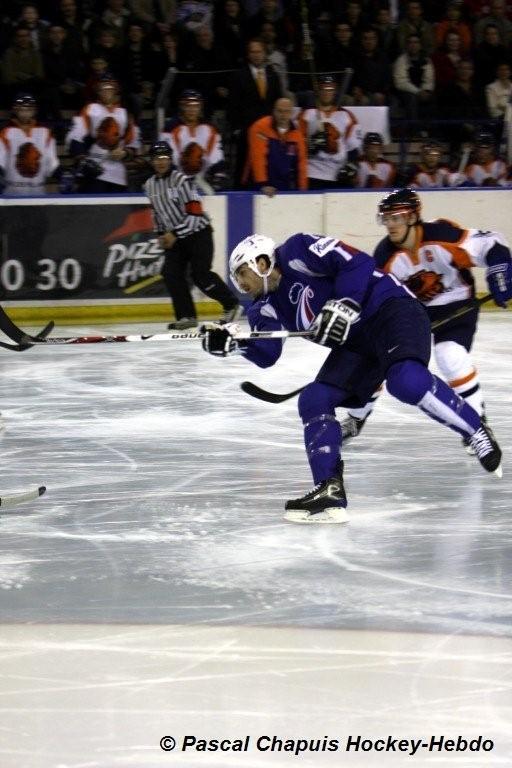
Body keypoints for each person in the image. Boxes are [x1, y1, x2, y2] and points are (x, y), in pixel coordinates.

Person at [200, 230, 504, 523]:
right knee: (314, 399)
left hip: (391, 310)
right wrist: (233, 346)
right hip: (357, 345)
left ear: (261, 263)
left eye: (242, 273)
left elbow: (356, 262)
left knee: (405, 380)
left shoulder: (296, 250)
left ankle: (476, 430)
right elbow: (267, 353)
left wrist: (345, 302)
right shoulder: (262, 307)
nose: (240, 283)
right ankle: (329, 489)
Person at [341, 188, 512, 454]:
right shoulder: (386, 255)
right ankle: (356, 416)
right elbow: (373, 294)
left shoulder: (442, 236)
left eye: (396, 218)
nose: (390, 225)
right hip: (413, 311)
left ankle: (477, 424)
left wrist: (500, 266)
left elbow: (491, 243)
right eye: (386, 219)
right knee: (380, 357)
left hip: (456, 303)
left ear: (413, 217)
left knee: (450, 354)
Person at [143, 141, 241, 330]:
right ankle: (186, 316)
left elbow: (195, 213)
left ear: (170, 160)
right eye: (157, 158)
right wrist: (161, 234)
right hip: (175, 237)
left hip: (198, 234)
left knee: (200, 274)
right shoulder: (149, 185)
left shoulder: (181, 180)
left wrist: (175, 233)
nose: (161, 162)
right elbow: (156, 212)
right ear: (152, 161)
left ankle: (231, 305)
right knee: (171, 273)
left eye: (164, 158)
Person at [65, 73, 140, 193]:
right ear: (98, 91)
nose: (106, 92)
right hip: (94, 172)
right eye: (103, 88)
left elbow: (133, 144)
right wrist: (83, 161)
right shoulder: (90, 109)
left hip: (118, 175)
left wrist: (125, 153)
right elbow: (75, 138)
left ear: (116, 90)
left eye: (110, 88)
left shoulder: (125, 113)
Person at [298, 74, 361, 190]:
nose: (327, 92)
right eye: (323, 89)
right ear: (318, 91)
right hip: (313, 174)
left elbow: (353, 149)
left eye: (330, 89)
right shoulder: (306, 114)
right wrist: (310, 146)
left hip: (338, 175)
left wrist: (352, 165)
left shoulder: (347, 116)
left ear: (335, 91)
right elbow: (296, 144)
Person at [245, 96, 307, 195]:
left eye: (287, 111)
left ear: (292, 113)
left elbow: (301, 164)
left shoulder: (297, 135)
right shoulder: (260, 127)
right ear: (273, 111)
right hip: (257, 186)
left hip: (283, 186)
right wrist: (262, 184)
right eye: (280, 111)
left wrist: (303, 191)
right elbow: (258, 157)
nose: (283, 115)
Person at [0, 93, 59, 195]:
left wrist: (61, 174)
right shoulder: (6, 132)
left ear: (35, 110)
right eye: (22, 108)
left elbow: (52, 163)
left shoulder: (45, 132)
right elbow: (1, 163)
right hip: (12, 196)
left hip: (38, 194)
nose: (25, 112)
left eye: (28, 108)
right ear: (15, 110)